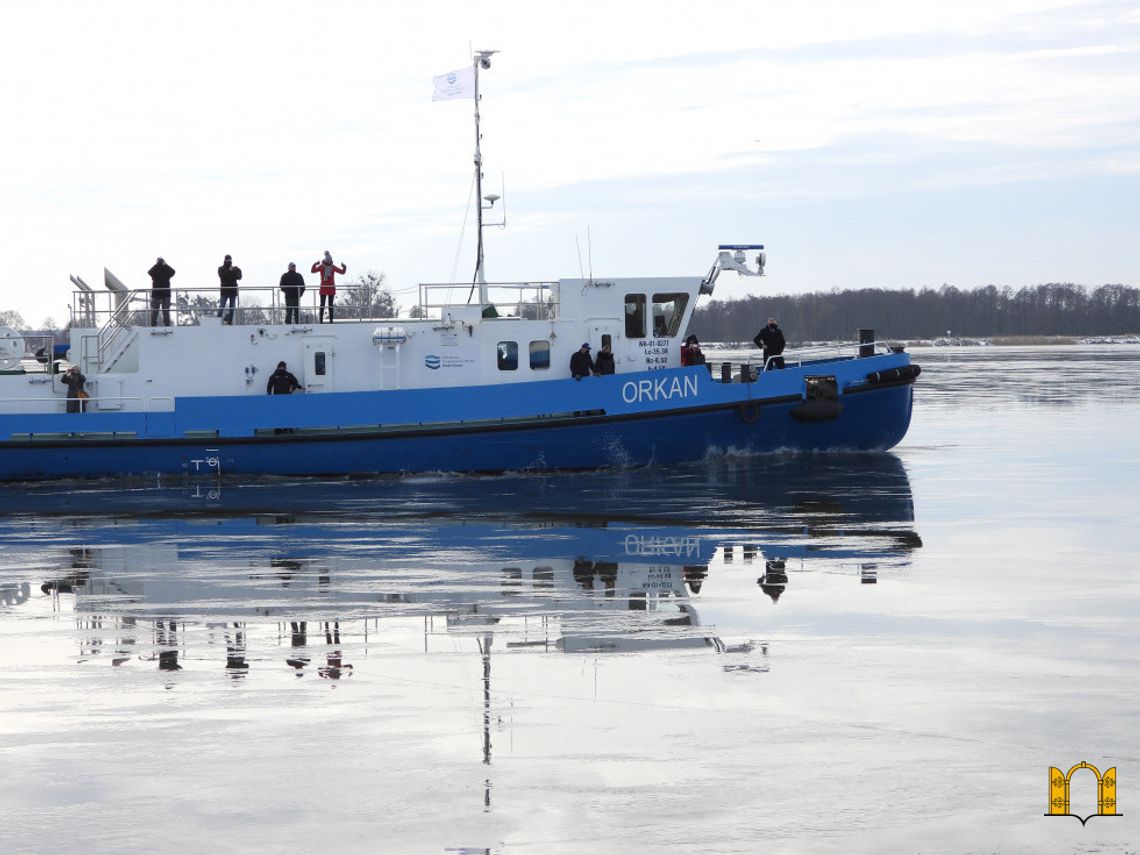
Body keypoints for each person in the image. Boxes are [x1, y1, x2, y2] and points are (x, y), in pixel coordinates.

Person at [312, 250, 346, 323]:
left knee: (330, 305)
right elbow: (313, 270)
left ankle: (330, 320)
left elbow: (342, 272)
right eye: (329, 262)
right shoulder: (322, 267)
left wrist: (344, 267)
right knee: (323, 305)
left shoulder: (331, 267)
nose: (330, 263)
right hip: (325, 288)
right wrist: (315, 264)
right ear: (326, 261)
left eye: (330, 262)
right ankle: (321, 320)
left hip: (330, 288)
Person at [147, 257, 175, 326]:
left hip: (161, 293)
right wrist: (164, 264)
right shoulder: (159, 270)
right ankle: (164, 324)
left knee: (159, 310)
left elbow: (173, 272)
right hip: (161, 293)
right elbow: (149, 272)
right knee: (160, 310)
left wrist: (160, 264)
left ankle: (157, 324)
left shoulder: (160, 269)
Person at [217, 254, 242, 324]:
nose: (229, 261)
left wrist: (233, 271)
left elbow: (239, 276)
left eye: (230, 260)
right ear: (224, 260)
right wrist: (230, 271)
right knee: (221, 306)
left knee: (232, 308)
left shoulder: (235, 269)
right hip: (225, 291)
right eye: (227, 260)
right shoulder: (221, 269)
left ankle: (229, 321)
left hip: (232, 291)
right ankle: (217, 321)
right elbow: (222, 275)